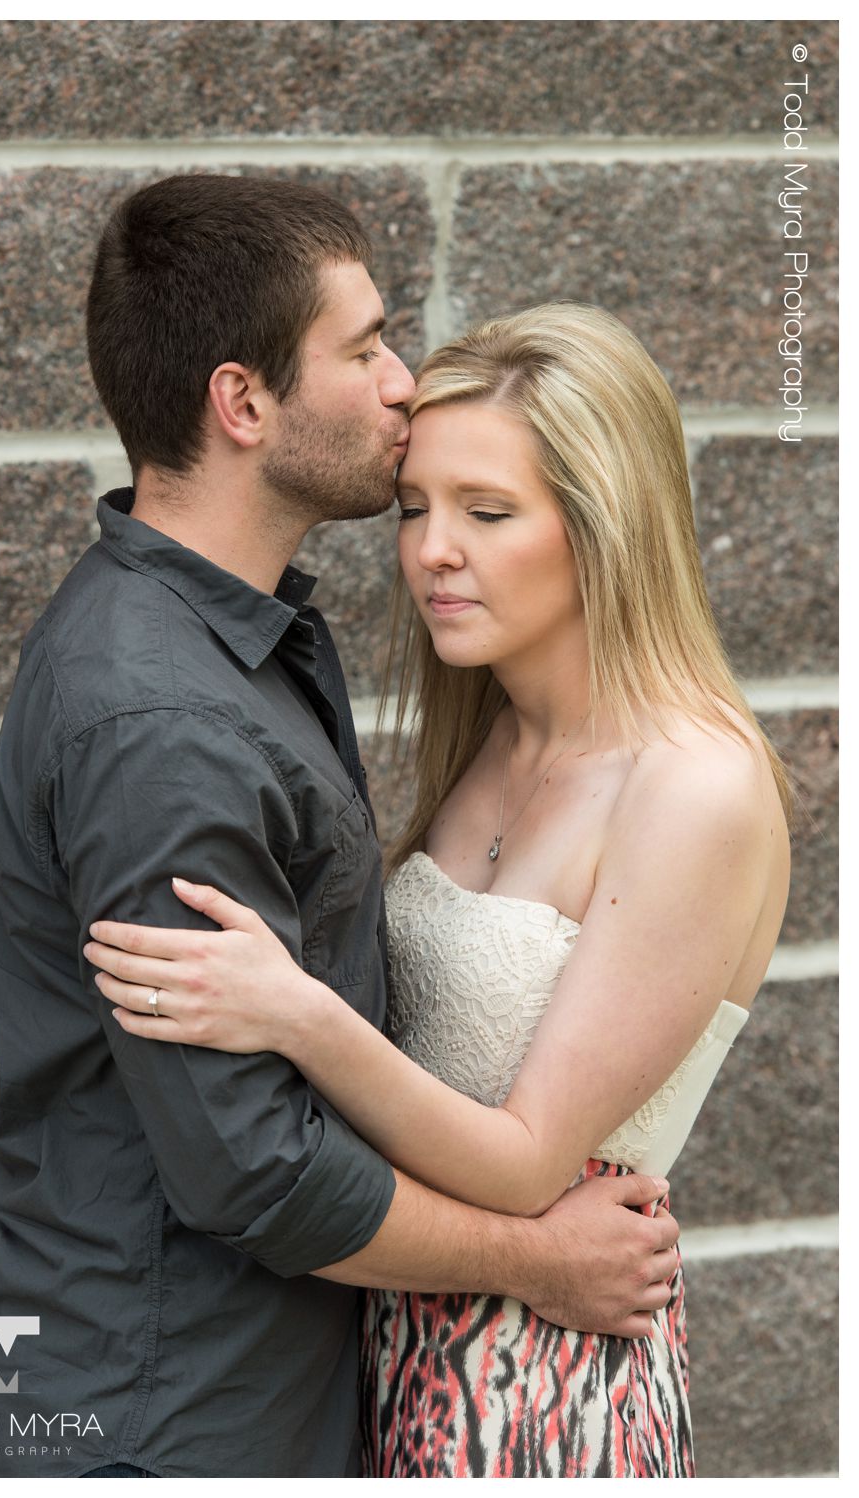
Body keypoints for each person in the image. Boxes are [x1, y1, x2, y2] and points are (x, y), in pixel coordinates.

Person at [0, 178, 679, 1480]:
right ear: (243, 404)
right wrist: (537, 1257)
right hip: (169, 1415)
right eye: (365, 348)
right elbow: (258, 1174)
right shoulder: (162, 721)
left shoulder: (233, 639)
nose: (404, 380)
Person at [85, 303, 792, 1478]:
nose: (430, 551)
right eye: (417, 507)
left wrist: (290, 1009)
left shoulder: (694, 789)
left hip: (541, 1383)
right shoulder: (493, 741)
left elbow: (525, 1160)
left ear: (603, 527)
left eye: (488, 512)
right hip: (394, 1338)